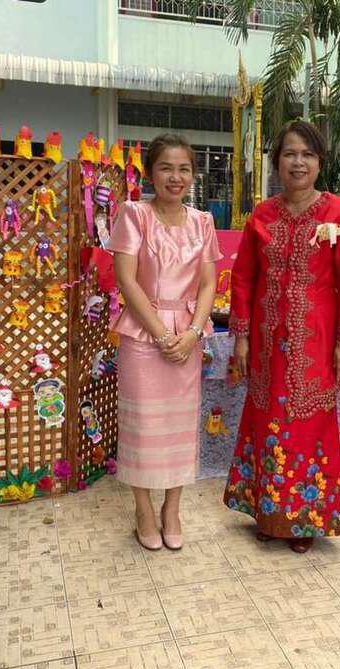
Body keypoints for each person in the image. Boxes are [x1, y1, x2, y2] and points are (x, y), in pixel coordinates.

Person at [223, 120, 340, 554]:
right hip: (267, 345)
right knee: (266, 423)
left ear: (320, 162)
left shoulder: (339, 214)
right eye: (290, 153)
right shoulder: (261, 216)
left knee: (309, 428)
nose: (298, 162)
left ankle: (304, 520)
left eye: (307, 154)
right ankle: (269, 515)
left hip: (316, 343)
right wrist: (242, 337)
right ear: (277, 162)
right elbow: (244, 278)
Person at [108, 133, 221, 552]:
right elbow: (126, 280)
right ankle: (143, 508)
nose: (176, 177)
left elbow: (208, 284)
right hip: (144, 334)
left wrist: (192, 333)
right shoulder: (134, 215)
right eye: (166, 168)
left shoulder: (203, 221)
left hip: (188, 336)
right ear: (150, 173)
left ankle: (172, 508)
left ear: (193, 174)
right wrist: (160, 333)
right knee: (143, 425)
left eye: (184, 169)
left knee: (179, 426)